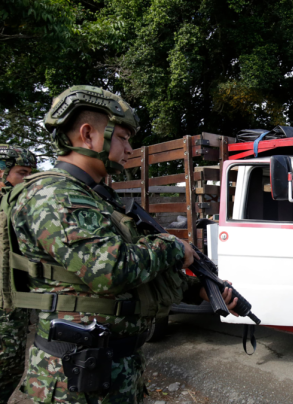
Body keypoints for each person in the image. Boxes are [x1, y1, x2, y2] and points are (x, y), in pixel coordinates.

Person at [5, 85, 237, 404]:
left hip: (110, 366)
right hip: (75, 377)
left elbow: (138, 272)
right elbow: (109, 270)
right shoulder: (54, 196)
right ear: (88, 134)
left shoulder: (95, 196)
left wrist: (197, 290)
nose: (129, 148)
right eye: (123, 138)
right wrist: (172, 247)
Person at [0, 145, 36, 404]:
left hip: (14, 308)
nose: (27, 180)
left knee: (10, 369)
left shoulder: (18, 206)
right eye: (22, 173)